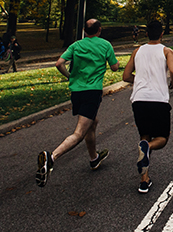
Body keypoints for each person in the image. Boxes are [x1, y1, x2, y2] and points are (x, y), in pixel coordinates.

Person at [35, 19, 119, 188]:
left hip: (76, 92)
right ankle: (51, 158)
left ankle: (94, 158)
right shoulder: (105, 45)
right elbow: (115, 68)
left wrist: (69, 76)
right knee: (79, 132)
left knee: (92, 123)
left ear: (84, 30)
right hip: (92, 92)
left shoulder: (76, 45)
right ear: (99, 30)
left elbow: (59, 63)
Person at [122, 20, 173, 194]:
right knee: (161, 138)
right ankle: (149, 148)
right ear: (162, 34)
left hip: (139, 100)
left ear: (146, 34)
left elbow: (125, 76)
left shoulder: (137, 51)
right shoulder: (166, 51)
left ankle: (144, 180)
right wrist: (172, 83)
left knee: (144, 136)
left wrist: (138, 81)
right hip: (158, 100)